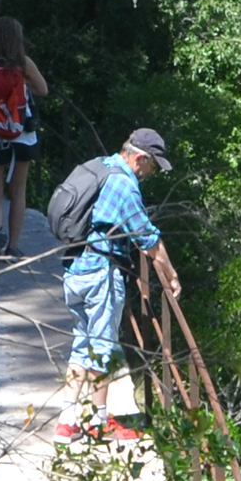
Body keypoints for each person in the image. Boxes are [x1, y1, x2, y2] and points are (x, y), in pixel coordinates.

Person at [48, 129, 168, 444]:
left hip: (75, 268)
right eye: (153, 166)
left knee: (82, 344)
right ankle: (96, 422)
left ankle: (67, 420)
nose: (151, 174)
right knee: (102, 348)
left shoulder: (101, 165)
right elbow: (147, 238)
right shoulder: (124, 183)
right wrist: (171, 276)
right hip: (101, 271)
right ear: (140, 158)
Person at [0, 17, 50, 254]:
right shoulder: (23, 64)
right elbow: (43, 90)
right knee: (19, 191)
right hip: (22, 135)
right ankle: (14, 247)